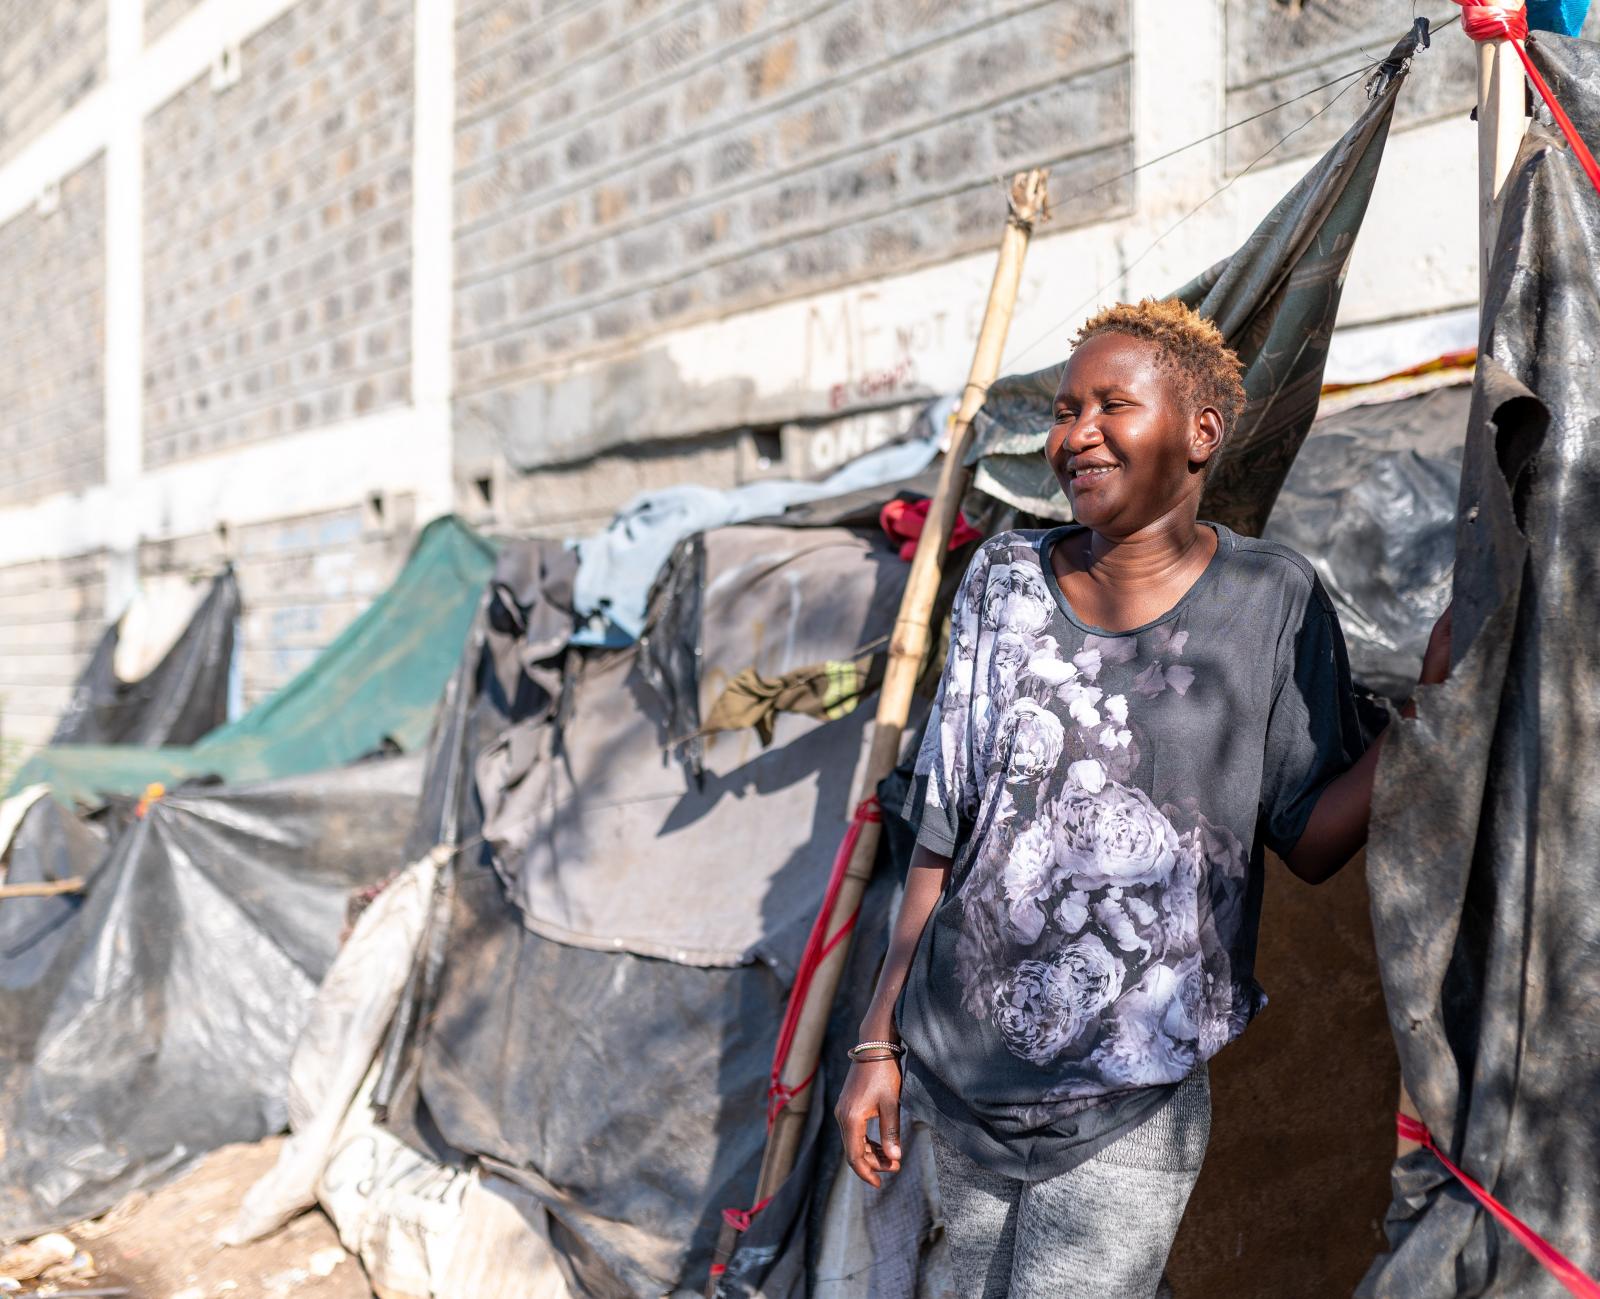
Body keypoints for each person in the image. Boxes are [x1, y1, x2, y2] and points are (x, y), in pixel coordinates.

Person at [834, 299, 1452, 1298]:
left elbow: (1308, 836)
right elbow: (943, 833)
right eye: (1066, 409)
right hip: (962, 1071)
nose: (1074, 434)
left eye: (1111, 404)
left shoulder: (1269, 599)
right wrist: (878, 1043)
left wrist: (1431, 714)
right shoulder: (998, 583)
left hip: (1131, 1090)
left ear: (1200, 431)